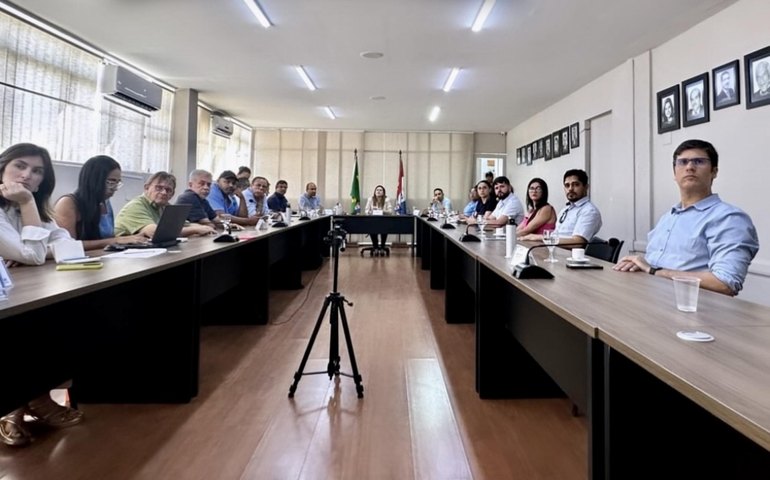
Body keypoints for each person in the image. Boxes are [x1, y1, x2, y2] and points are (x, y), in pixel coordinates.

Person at [0, 143, 84, 447]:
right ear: (2, 169)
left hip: (20, 293)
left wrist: (32, 251)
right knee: (33, 322)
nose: (27, 176)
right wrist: (26, 203)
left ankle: (25, 404)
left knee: (62, 313)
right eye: (19, 166)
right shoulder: (21, 205)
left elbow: (70, 247)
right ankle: (23, 404)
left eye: (37, 172)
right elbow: (33, 254)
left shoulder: (32, 208)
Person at [614, 139, 759, 296]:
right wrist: (639, 265)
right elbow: (655, 266)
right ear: (674, 173)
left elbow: (725, 282)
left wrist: (654, 271)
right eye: (682, 162)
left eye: (699, 161)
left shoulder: (729, 218)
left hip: (693, 311)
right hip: (651, 298)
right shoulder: (668, 217)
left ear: (714, 171)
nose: (690, 167)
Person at [54, 155, 148, 250]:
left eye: (117, 183)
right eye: (111, 182)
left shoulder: (105, 203)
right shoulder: (68, 203)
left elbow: (108, 239)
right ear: (94, 180)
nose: (115, 188)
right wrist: (116, 240)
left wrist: (133, 239)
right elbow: (68, 246)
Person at [114, 171, 214, 237]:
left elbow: (185, 224)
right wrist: (196, 229)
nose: (164, 192)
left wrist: (203, 227)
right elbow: (156, 233)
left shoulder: (165, 206)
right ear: (146, 188)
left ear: (172, 194)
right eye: (158, 188)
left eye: (168, 190)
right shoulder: (135, 206)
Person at [520, 169, 602, 247]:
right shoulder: (565, 209)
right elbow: (556, 234)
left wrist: (540, 237)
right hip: (554, 252)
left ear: (586, 187)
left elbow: (578, 242)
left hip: (571, 257)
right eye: (567, 185)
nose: (570, 189)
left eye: (576, 184)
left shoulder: (589, 211)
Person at [364, 185, 393, 251]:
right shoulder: (370, 199)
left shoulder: (387, 200)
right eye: (377, 190)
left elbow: (390, 212)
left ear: (383, 192)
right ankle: (375, 246)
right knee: (372, 229)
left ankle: (382, 246)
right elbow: (366, 210)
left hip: (383, 221)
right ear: (374, 192)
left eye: (380, 190)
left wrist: (382, 211)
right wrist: (371, 212)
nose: (378, 191)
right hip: (373, 221)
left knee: (384, 229)